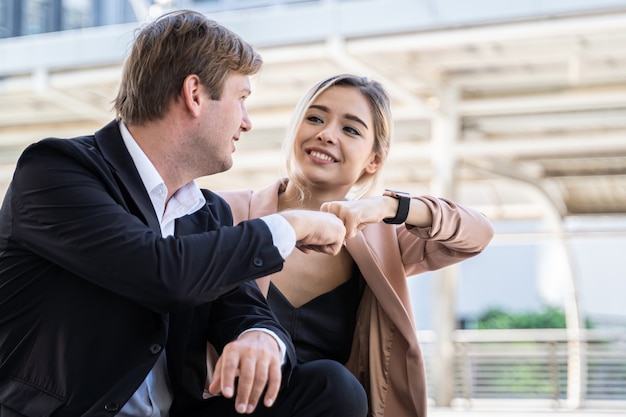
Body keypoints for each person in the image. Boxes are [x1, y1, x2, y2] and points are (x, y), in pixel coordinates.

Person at [0, 11, 368, 417]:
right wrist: (291, 225)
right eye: (241, 99)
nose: (247, 123)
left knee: (332, 387)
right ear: (194, 94)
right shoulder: (56, 170)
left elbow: (244, 307)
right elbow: (161, 272)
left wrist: (260, 335)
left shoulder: (206, 212)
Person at [216, 74, 495, 417]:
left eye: (350, 130)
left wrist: (389, 206)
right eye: (315, 118)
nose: (326, 134)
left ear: (374, 160)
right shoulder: (227, 213)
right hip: (228, 403)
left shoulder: (384, 241)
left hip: (331, 406)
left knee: (337, 384)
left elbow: (478, 233)